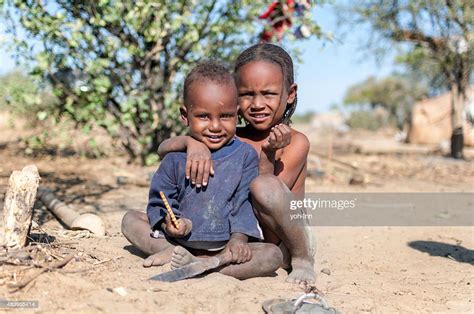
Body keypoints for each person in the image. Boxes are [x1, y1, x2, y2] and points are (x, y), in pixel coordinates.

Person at [158, 43, 315, 284]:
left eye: (269, 93)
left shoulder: (295, 143)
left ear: (290, 93)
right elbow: (162, 150)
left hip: (282, 238)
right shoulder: (228, 136)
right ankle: (205, 263)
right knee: (140, 221)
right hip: (235, 237)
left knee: (263, 187)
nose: (257, 104)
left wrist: (268, 153)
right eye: (247, 94)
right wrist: (191, 143)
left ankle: (303, 260)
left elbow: (262, 202)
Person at [121, 61, 282, 280]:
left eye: (225, 116)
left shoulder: (244, 156)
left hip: (224, 247)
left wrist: (238, 240)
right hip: (177, 241)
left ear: (237, 115)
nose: (215, 126)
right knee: (130, 220)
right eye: (204, 116)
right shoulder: (175, 157)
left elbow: (244, 203)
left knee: (272, 255)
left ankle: (206, 265)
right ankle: (173, 253)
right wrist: (171, 222)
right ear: (185, 115)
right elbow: (161, 197)